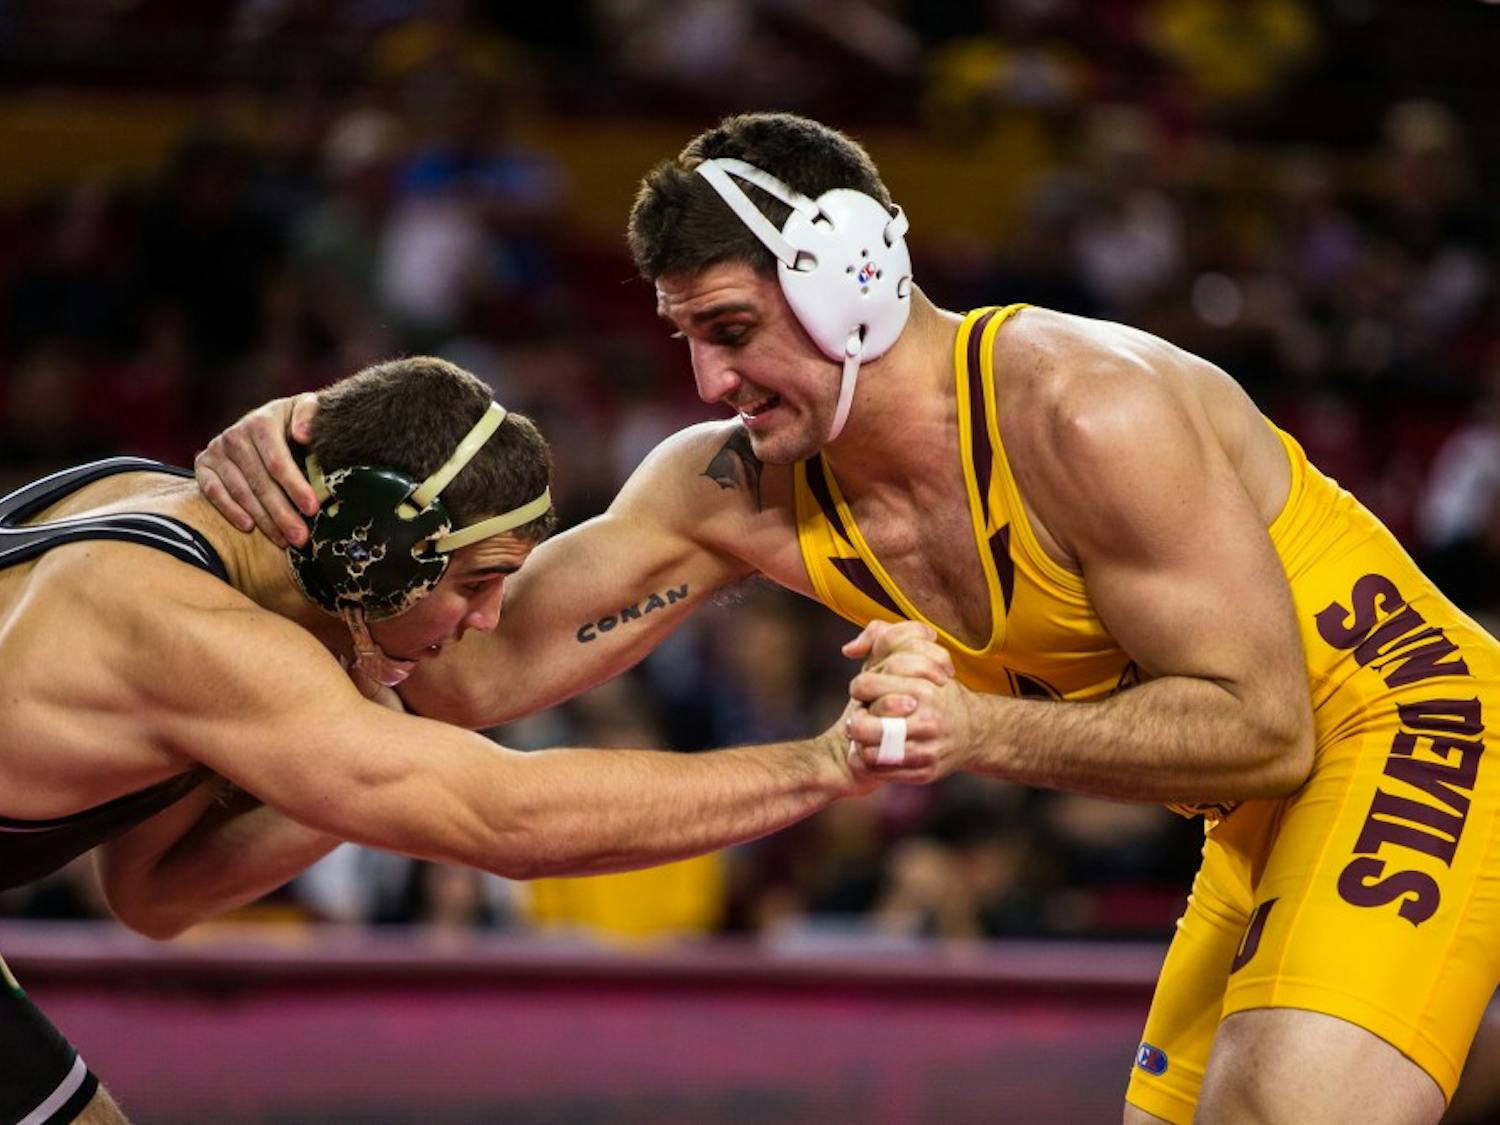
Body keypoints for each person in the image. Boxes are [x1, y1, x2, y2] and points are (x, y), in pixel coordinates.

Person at [197, 112, 1500, 1124]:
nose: (708, 380)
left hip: (1412, 726)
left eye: (732, 328)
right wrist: (323, 489)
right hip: (1259, 820)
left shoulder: (1084, 410)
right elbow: (473, 677)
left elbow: (1267, 726)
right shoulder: (735, 488)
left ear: (854, 274)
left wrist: (972, 730)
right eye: (685, 337)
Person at [0, 353, 883, 1125]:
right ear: (371, 549)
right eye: (478, 582)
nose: (488, 618)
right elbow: (513, 820)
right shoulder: (194, 638)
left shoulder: (132, 497)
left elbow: (154, 893)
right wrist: (825, 762)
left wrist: (385, 729)